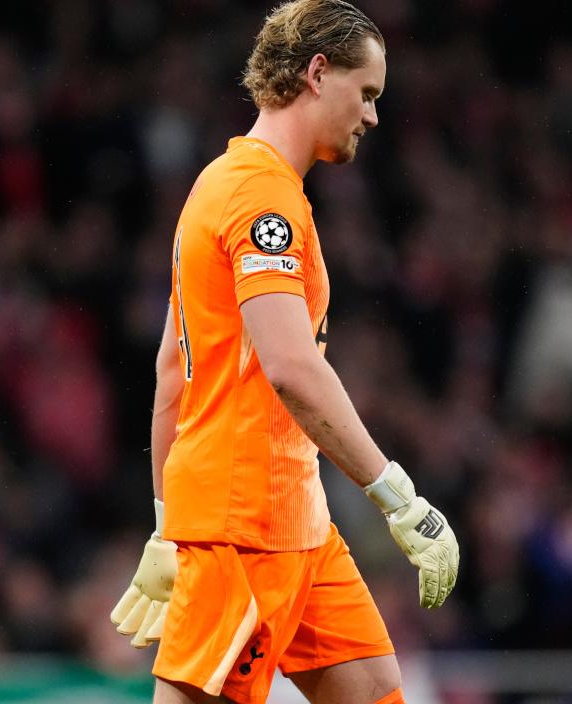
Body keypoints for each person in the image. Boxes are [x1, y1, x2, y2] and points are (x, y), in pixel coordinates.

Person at [108, 1, 460, 702]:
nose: (373, 116)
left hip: (297, 521)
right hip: (245, 526)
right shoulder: (260, 199)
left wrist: (165, 523)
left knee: (375, 691)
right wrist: (399, 498)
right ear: (318, 73)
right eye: (367, 93)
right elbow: (293, 369)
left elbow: (174, 370)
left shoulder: (223, 184)